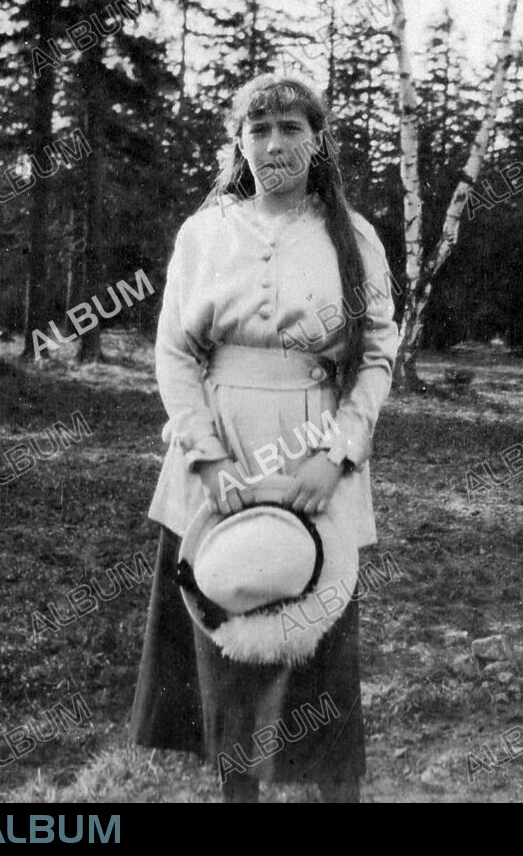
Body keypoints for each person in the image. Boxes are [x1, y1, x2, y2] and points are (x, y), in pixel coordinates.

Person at [130, 74, 399, 803]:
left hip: (313, 453)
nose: (274, 144)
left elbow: (376, 353)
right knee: (229, 629)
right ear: (238, 143)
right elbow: (174, 354)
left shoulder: (352, 236)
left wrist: (337, 453)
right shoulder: (205, 231)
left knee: (317, 646)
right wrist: (207, 459)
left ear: (317, 142)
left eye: (290, 128)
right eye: (259, 130)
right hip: (216, 452)